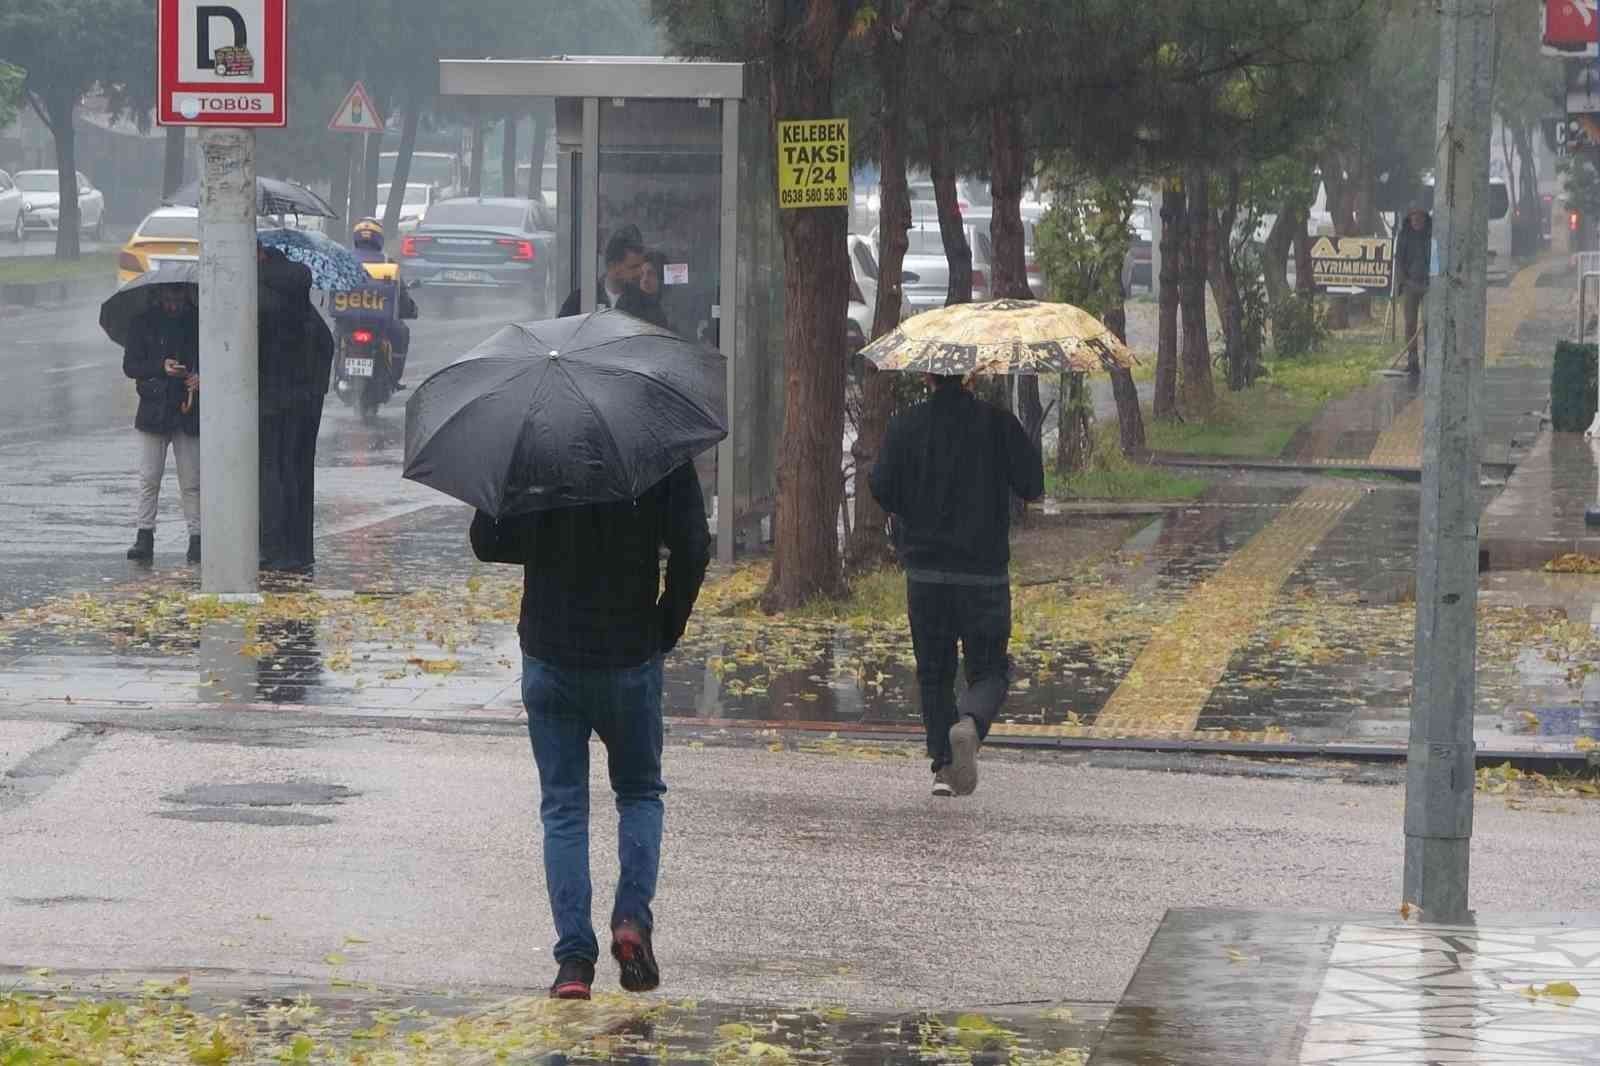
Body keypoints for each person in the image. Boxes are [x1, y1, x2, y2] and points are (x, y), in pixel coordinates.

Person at [470, 462, 710, 1000]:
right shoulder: (655, 441)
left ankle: (574, 961)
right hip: (628, 653)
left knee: (563, 807)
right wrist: (666, 623)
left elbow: (488, 541)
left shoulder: (537, 440)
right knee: (640, 791)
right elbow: (693, 544)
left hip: (550, 652)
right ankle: (631, 919)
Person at [868, 373, 1044, 798]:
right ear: (971, 376)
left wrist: (915, 508)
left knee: (934, 672)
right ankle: (969, 722)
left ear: (927, 375)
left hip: (926, 574)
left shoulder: (905, 425)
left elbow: (881, 487)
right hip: (983, 574)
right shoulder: (998, 423)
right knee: (990, 668)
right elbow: (1032, 487)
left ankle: (944, 768)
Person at [258, 243, 335, 572]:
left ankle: (273, 547)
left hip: (269, 407)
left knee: (269, 473)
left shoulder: (261, 307)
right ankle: (299, 550)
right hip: (305, 410)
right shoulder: (310, 317)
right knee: (298, 475)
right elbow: (325, 356)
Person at [122, 284, 201, 564]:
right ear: (157, 296)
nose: (173, 305)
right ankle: (144, 536)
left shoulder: (199, 321)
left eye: (178, 298)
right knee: (148, 479)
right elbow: (131, 366)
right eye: (168, 299)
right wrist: (160, 367)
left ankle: (197, 537)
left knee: (191, 481)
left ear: (186, 296)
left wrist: (199, 376)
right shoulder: (142, 323)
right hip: (154, 411)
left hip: (187, 409)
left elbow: (214, 354)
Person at [559, 225, 645, 317]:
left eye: (640, 266)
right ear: (613, 267)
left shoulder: (644, 303)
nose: (640, 272)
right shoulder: (578, 301)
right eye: (633, 267)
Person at [1394, 205, 1432, 375]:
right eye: (1413, 217)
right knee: (1410, 324)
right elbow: (1399, 262)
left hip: (1429, 286)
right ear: (1409, 218)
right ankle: (1412, 360)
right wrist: (1403, 282)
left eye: (1420, 217)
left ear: (1425, 218)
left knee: (1429, 323)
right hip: (1410, 285)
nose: (1417, 221)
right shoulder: (1404, 236)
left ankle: (1431, 359)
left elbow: (1437, 258)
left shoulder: (1432, 235)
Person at [616, 251, 670, 331]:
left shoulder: (667, 305)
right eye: (642, 274)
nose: (644, 280)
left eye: (651, 274)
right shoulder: (628, 303)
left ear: (662, 277)